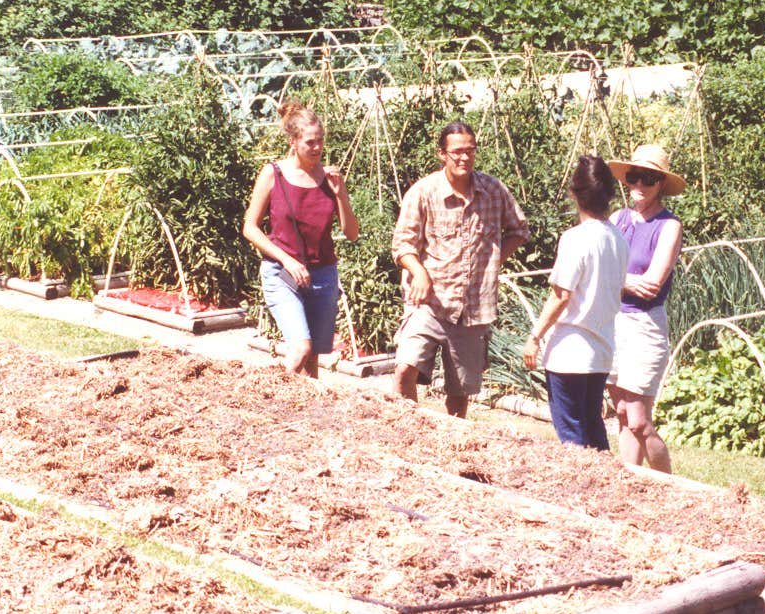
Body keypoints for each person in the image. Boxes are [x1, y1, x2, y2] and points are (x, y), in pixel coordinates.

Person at [391, 121, 529, 418]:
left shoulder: (493, 190)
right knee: (404, 370)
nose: (464, 158)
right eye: (457, 152)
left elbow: (519, 230)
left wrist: (494, 261)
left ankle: (451, 440)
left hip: (473, 309)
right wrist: (419, 272)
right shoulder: (423, 192)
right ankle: (408, 430)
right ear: (442, 154)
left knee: (459, 392)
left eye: (470, 150)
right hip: (428, 303)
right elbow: (402, 245)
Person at [243, 101, 359, 377]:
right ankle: (265, 395)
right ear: (293, 142)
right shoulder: (274, 174)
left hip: (323, 276)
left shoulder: (330, 179)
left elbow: (352, 233)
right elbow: (250, 227)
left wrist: (341, 194)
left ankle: (304, 406)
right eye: (310, 142)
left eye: (320, 141)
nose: (317, 148)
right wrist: (288, 260)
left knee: (312, 361)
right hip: (282, 274)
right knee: (301, 348)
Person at [522, 156, 628, 450]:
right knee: (593, 429)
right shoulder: (618, 239)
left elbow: (561, 296)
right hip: (601, 351)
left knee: (572, 438)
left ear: (574, 193)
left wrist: (535, 336)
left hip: (570, 352)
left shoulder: (575, 239)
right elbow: (618, 293)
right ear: (609, 195)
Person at [604, 144, 686, 473]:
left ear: (661, 184)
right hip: (613, 322)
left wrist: (614, 278)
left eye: (649, 179)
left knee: (639, 420)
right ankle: (632, 481)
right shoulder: (617, 219)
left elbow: (651, 284)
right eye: (634, 176)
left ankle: (669, 483)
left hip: (644, 326)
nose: (640, 184)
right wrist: (624, 280)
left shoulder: (669, 226)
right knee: (622, 413)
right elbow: (598, 271)